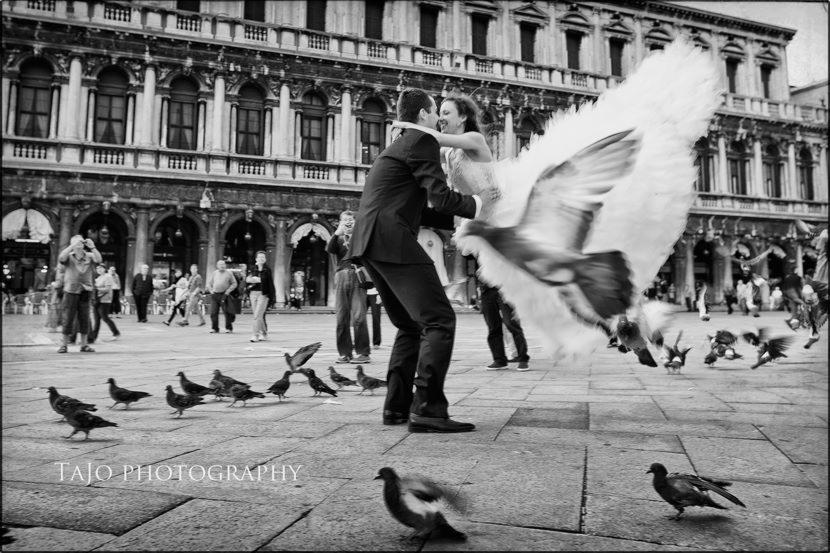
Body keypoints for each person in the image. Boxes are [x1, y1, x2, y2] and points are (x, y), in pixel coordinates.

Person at [348, 88, 492, 433]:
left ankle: (396, 408)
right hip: (392, 240)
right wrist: (481, 205)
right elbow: (440, 198)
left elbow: (424, 207)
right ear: (425, 113)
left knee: (410, 326)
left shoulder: (398, 144)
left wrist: (465, 220)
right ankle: (428, 408)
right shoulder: (421, 139)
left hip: (371, 241)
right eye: (435, 111)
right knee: (440, 320)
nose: (438, 117)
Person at [394, 94, 530, 372]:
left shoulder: (473, 141)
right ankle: (501, 354)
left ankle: (521, 350)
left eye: (445, 112)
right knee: (489, 295)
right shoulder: (451, 153)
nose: (440, 117)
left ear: (463, 117)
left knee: (504, 293)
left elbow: (432, 140)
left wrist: (408, 124)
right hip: (477, 223)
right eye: (438, 111)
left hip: (496, 220)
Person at [327, 210, 372, 364]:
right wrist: (336, 233)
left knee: (359, 316)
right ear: (340, 222)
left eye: (351, 219)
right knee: (341, 317)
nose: (348, 222)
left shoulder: (361, 236)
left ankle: (363, 353)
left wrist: (356, 234)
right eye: (344, 220)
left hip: (357, 275)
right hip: (341, 276)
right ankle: (345, 353)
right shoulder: (338, 238)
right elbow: (330, 249)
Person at [57, 235, 102, 353]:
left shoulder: (89, 256)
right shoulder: (69, 257)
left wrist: (93, 247)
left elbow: (99, 260)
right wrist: (72, 245)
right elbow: (61, 258)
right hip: (70, 291)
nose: (79, 244)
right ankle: (64, 345)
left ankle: (84, 345)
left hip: (85, 291)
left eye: (81, 242)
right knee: (68, 318)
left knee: (84, 318)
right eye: (77, 242)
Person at [246, 251, 276, 342]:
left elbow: (269, 283)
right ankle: (264, 333)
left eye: (263, 257)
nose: (261, 259)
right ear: (256, 259)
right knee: (259, 315)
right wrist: (253, 279)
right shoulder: (252, 269)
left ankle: (255, 335)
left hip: (263, 294)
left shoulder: (267, 270)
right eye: (259, 257)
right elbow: (247, 279)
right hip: (253, 294)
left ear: (265, 259)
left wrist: (258, 280)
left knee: (257, 315)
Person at [89, 264, 120, 343]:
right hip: (97, 300)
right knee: (96, 319)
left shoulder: (108, 277)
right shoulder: (98, 278)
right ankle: (93, 336)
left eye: (101, 268)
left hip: (105, 300)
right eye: (97, 268)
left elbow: (107, 289)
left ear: (104, 269)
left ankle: (116, 332)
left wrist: (97, 289)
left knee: (105, 317)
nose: (99, 270)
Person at [206, 259, 237, 333]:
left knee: (227, 312)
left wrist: (228, 291)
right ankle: (215, 328)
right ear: (217, 266)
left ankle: (229, 328)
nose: (222, 266)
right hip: (215, 295)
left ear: (225, 265)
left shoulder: (229, 273)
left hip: (224, 295)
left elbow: (234, 283)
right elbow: (209, 284)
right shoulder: (214, 273)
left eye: (223, 264)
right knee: (213, 312)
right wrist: (211, 291)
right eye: (220, 264)